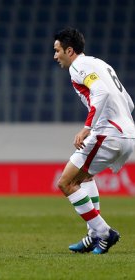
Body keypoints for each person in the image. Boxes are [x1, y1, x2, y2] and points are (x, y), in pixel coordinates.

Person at [53, 27, 135, 254]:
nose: (55, 55)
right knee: (85, 176)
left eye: (57, 50)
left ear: (69, 50)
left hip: (108, 134)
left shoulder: (78, 67)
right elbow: (128, 102)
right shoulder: (101, 64)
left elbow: (102, 93)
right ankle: (93, 236)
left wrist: (88, 128)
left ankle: (103, 232)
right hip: (127, 133)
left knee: (66, 183)